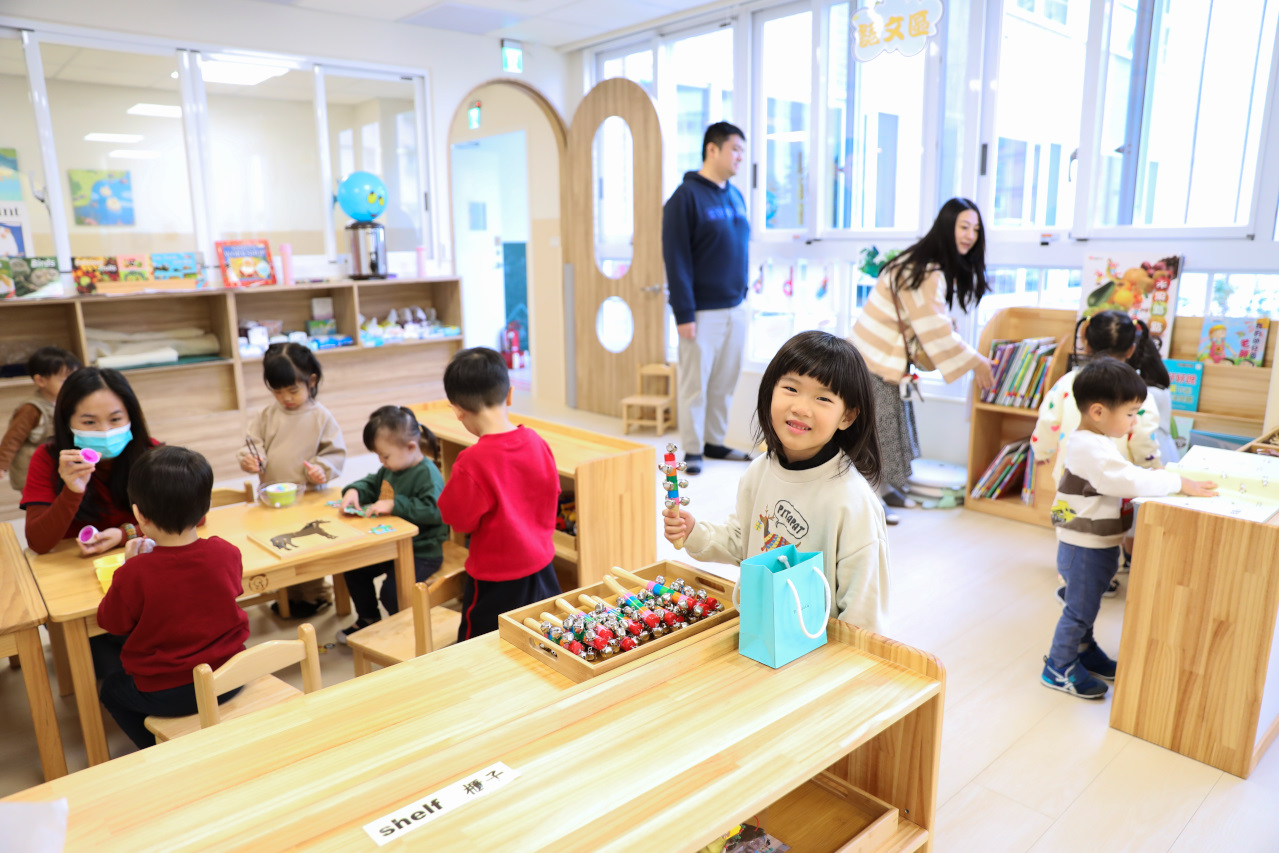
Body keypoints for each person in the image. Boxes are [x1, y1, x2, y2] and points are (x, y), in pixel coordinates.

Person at [662, 331, 891, 632]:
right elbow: (744, 541)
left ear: (847, 416)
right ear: (771, 391)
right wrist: (694, 533)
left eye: (823, 397)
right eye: (791, 389)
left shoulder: (853, 502)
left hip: (817, 655)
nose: (801, 407)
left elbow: (863, 613)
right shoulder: (759, 471)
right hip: (758, 633)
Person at [1042, 358, 1215, 699]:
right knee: (1080, 608)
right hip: (1083, 545)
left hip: (1097, 541)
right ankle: (1058, 665)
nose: (1135, 421)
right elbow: (1124, 479)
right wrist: (1175, 481)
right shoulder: (1087, 446)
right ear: (1097, 411)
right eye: (1131, 413)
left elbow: (1125, 473)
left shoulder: (1099, 440)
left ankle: (1084, 650)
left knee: (1088, 603)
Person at [90, 446, 249, 749]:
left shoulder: (136, 572)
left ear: (138, 514)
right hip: (230, 677)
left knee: (111, 690)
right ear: (206, 509)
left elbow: (111, 623)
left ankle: (158, 749)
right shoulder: (226, 552)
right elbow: (229, 591)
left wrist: (125, 569)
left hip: (167, 692)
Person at [848, 198, 995, 524]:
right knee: (877, 436)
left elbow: (927, 323)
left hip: (881, 361)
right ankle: (871, 502)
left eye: (975, 229)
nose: (970, 235)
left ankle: (884, 492)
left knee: (890, 430)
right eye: (963, 227)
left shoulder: (924, 263)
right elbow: (936, 329)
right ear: (947, 226)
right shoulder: (926, 271)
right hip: (872, 361)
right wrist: (977, 361)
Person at [1032, 310, 1167, 586]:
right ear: (1131, 349)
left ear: (1087, 343)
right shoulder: (1136, 390)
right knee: (1108, 528)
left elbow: (1047, 423)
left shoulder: (1067, 382)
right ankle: (1102, 575)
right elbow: (1143, 439)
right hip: (1115, 479)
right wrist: (1153, 467)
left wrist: (1042, 453)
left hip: (1069, 475)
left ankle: (1068, 574)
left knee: (1066, 520)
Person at [438, 347, 560, 641]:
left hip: (495, 582)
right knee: (544, 642)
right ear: (509, 395)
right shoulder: (537, 441)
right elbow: (552, 493)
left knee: (477, 649)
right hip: (544, 570)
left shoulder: (472, 461)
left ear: (457, 410)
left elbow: (457, 520)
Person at [662, 121, 753, 475]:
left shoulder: (735, 195)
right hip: (701, 312)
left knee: (725, 381)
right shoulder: (685, 198)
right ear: (712, 150)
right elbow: (677, 260)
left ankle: (715, 441)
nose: (740, 158)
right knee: (694, 385)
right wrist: (683, 312)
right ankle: (693, 448)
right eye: (735, 150)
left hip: (736, 307)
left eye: (743, 152)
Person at [236, 342, 346, 617]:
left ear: (311, 381)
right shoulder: (266, 415)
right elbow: (253, 445)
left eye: (293, 390)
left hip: (308, 496)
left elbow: (335, 453)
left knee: (308, 549)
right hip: (272, 498)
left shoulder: (321, 416)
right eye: (277, 391)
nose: (286, 397)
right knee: (280, 545)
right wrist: (251, 459)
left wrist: (322, 468)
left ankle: (316, 595)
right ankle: (288, 595)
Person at [336, 406, 448, 643]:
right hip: (392, 546)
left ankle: (405, 633)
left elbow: (436, 510)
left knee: (392, 592)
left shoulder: (427, 473)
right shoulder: (393, 468)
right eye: (379, 456)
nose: (381, 462)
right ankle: (368, 618)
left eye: (384, 456)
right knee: (354, 568)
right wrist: (354, 491)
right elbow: (371, 483)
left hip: (423, 550)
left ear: (410, 447)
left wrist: (395, 504)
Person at [21, 367, 160, 556]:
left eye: (115, 419)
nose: (104, 431)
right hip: (74, 566)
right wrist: (72, 490)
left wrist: (125, 534)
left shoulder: (151, 453)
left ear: (131, 418)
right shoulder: (48, 458)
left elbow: (192, 513)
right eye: (89, 422)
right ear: (67, 423)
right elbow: (37, 543)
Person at [0, 346, 81, 493]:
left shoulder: (68, 403)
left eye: (74, 379)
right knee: (40, 505)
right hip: (32, 471)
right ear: (40, 380)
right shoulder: (32, 408)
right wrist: (2, 465)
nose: (71, 385)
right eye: (64, 380)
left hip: (55, 467)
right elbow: (13, 438)